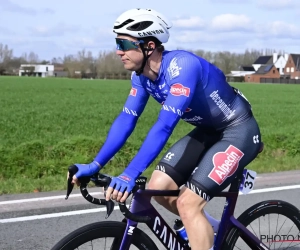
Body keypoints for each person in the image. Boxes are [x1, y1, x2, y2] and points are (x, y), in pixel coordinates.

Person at [70, 8, 262, 250]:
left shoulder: (182, 67)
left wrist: (129, 174)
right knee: (158, 188)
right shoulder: (141, 77)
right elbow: (127, 120)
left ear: (149, 46)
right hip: (207, 131)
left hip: (238, 131)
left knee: (188, 205)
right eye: (116, 42)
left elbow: (164, 126)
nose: (118, 50)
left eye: (124, 43)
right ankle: (205, 230)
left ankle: (197, 227)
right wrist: (95, 165)